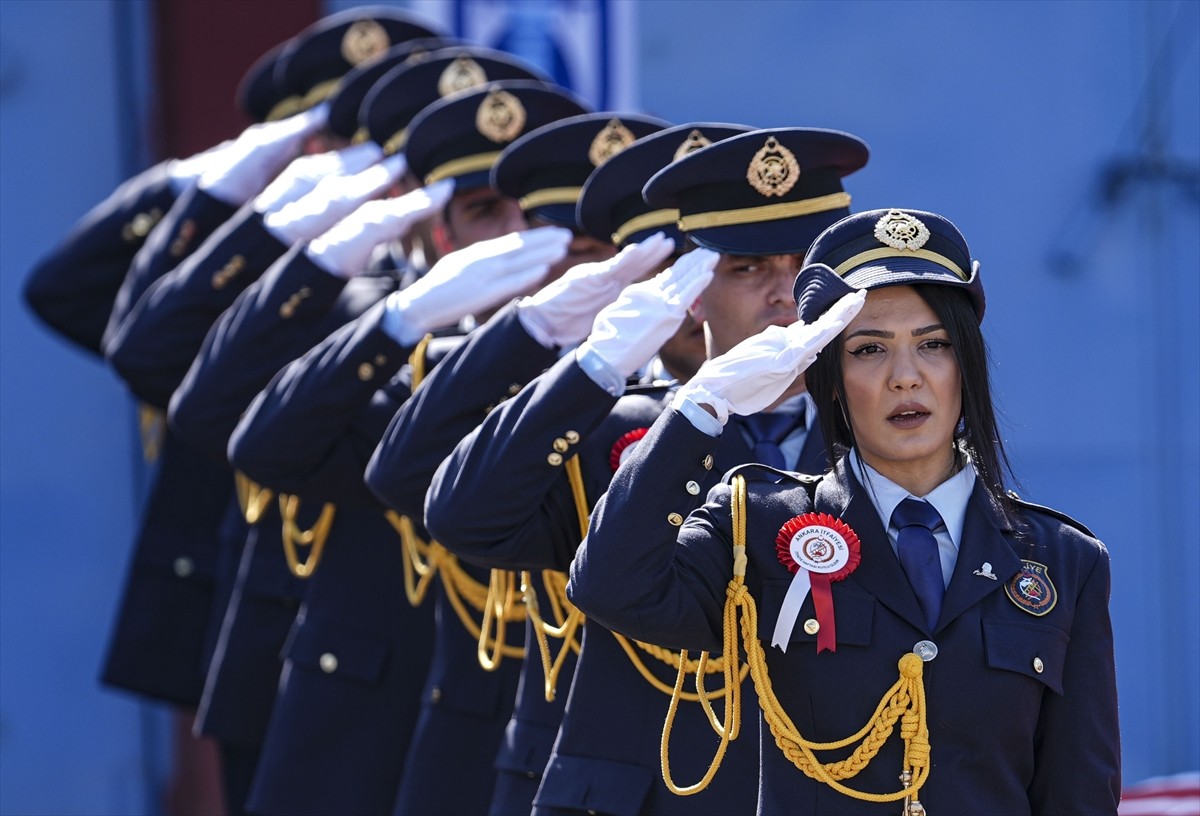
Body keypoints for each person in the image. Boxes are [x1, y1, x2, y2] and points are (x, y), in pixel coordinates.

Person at [381, 125, 869, 816]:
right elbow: (463, 514)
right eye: (748, 268)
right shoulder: (611, 429)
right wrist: (594, 365)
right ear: (693, 294)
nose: (784, 294)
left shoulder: (880, 440)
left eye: (802, 265)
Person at [568, 207, 1121, 814]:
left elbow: (1078, 791)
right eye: (868, 350)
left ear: (967, 367)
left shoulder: (1062, 560)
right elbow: (610, 586)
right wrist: (698, 410)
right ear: (828, 379)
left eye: (933, 345)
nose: (905, 378)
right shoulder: (755, 525)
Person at [212, 80, 590, 816]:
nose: (517, 237)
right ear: (440, 231)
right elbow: (243, 426)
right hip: (379, 705)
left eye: (546, 223)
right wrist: (392, 310)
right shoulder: (389, 351)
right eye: (486, 211)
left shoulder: (630, 384)